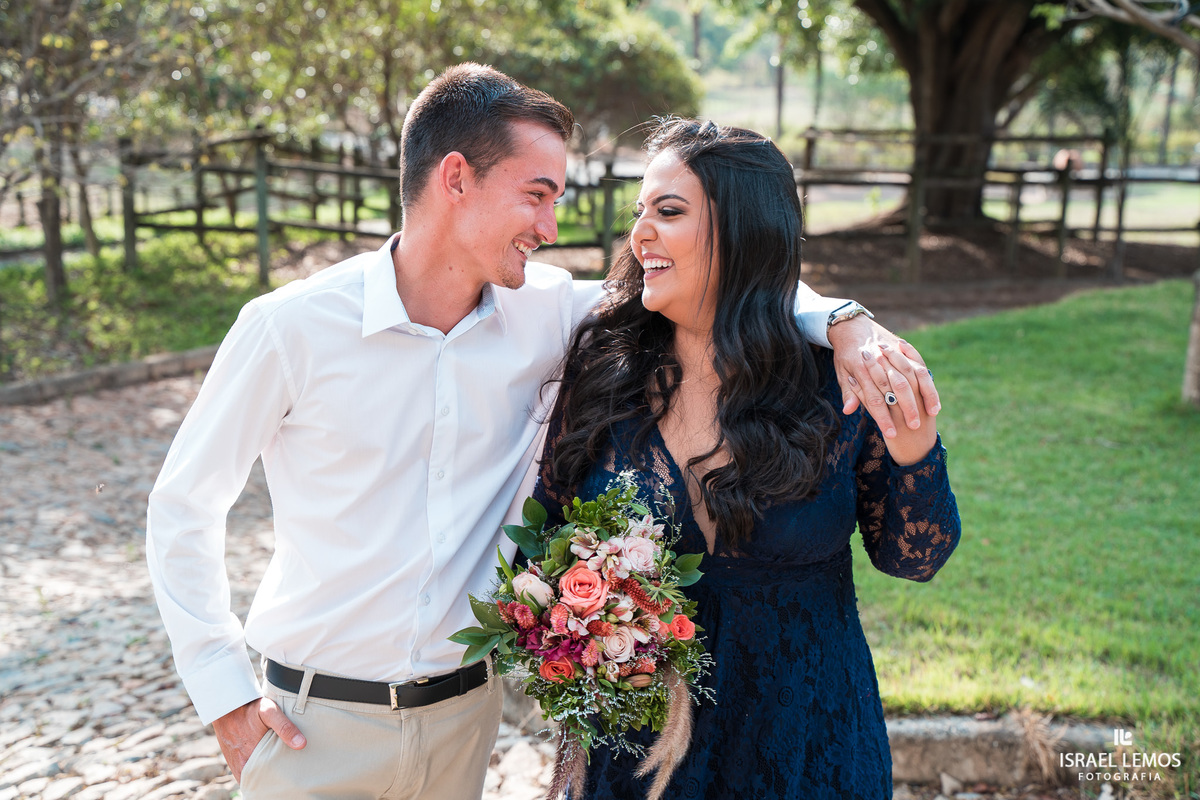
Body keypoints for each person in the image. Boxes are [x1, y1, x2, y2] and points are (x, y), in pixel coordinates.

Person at [145, 65, 937, 800]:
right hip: (316, 726)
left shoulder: (548, 313)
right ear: (456, 178)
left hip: (463, 723)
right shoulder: (290, 327)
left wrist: (845, 322)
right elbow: (183, 507)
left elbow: (727, 278)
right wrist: (226, 700)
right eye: (536, 195)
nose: (550, 227)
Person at [531, 118, 961, 799]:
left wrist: (915, 449)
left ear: (743, 231)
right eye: (640, 212)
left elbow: (914, 558)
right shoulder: (603, 371)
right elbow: (548, 534)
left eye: (669, 212)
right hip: (638, 761)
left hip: (805, 751)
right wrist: (579, 625)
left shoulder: (837, 384)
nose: (640, 234)